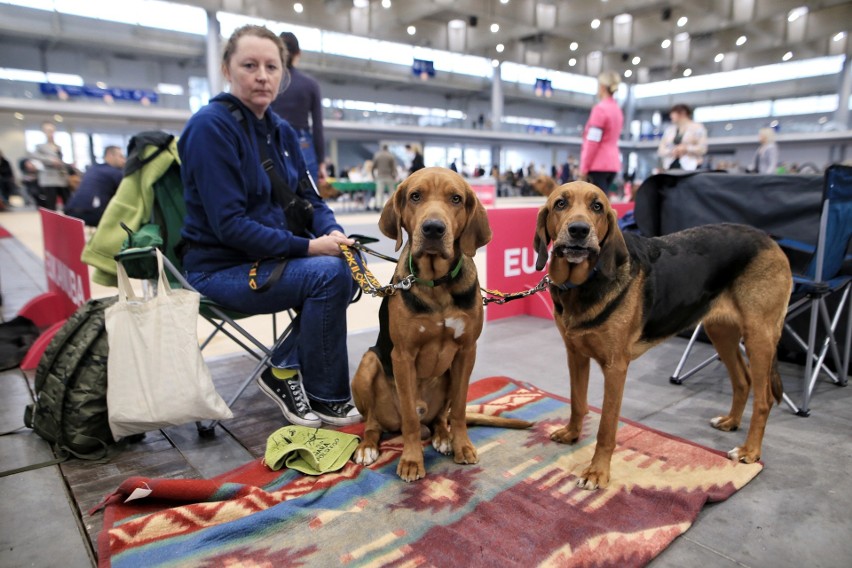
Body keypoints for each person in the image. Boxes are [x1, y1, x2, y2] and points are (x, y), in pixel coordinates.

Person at [178, 24, 360, 427]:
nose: (262, 75)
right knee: (329, 274)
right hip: (219, 269)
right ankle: (305, 381)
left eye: (271, 66)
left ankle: (292, 370)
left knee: (350, 262)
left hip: (269, 261)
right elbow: (230, 226)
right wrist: (311, 248)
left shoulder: (282, 131)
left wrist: (331, 233)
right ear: (228, 69)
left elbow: (311, 199)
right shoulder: (210, 128)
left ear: (283, 74)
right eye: (249, 65)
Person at [270, 32, 325, 184]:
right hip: (302, 143)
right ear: (298, 53)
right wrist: (321, 162)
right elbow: (318, 127)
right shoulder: (310, 84)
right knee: (309, 198)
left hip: (273, 141)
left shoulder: (271, 81)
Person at [579, 71, 624, 191]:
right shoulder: (617, 110)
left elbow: (592, 142)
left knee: (595, 207)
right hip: (612, 164)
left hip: (597, 165)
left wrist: (584, 168)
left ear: (602, 87)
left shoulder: (600, 109)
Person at [64, 146, 126, 226]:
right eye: (121, 156)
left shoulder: (93, 168)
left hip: (70, 210)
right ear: (110, 155)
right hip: (91, 213)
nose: (124, 160)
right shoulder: (115, 173)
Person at [31, 121, 70, 210]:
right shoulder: (40, 146)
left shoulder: (58, 146)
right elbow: (35, 156)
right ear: (44, 132)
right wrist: (51, 160)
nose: (51, 133)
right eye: (48, 130)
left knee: (67, 201)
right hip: (48, 178)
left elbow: (61, 160)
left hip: (61, 177)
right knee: (51, 203)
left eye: (52, 130)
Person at [657, 103, 707, 171]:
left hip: (691, 166)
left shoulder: (697, 128)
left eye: (673, 113)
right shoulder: (669, 130)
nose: (671, 116)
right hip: (671, 166)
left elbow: (702, 149)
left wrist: (686, 149)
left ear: (683, 113)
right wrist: (672, 151)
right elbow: (661, 150)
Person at [371, 144, 397, 211]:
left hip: (380, 176)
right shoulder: (390, 155)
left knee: (379, 193)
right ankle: (392, 206)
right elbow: (394, 167)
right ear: (387, 148)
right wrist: (395, 176)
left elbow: (373, 167)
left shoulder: (377, 155)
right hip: (389, 176)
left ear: (382, 148)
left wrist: (373, 176)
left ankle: (379, 206)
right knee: (391, 192)